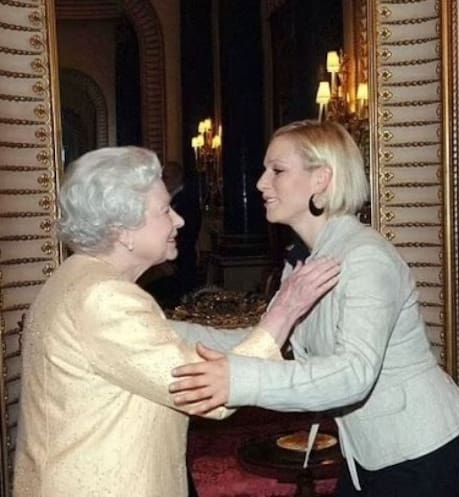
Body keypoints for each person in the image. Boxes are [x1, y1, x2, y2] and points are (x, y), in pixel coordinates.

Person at [168, 120, 459, 497]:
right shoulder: (304, 260)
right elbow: (266, 338)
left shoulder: (366, 258)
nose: (261, 183)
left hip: (418, 451)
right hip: (367, 452)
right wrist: (162, 329)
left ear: (321, 179)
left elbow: (355, 372)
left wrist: (239, 382)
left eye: (277, 170)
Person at [13, 146, 339, 497]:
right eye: (164, 210)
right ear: (123, 229)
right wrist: (284, 312)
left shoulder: (76, 278)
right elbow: (205, 393)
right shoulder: (103, 298)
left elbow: (178, 349)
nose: (179, 220)